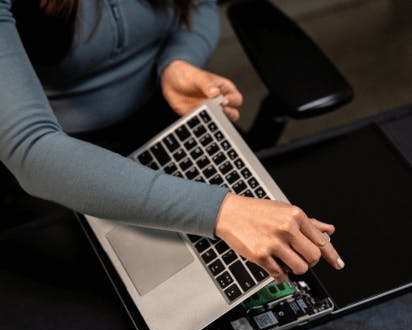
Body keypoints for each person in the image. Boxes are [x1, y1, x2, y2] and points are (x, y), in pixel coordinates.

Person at [0, 0, 344, 284]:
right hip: (65, 156)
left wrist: (177, 63)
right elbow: (31, 148)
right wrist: (221, 211)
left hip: (167, 111)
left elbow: (201, 5)